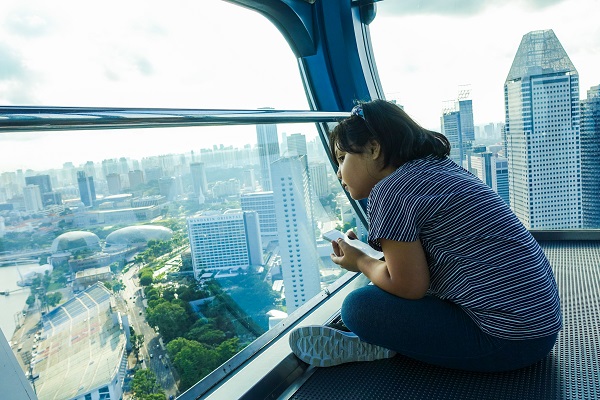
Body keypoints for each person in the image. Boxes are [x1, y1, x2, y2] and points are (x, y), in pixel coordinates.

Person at [288, 99, 562, 372]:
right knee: (379, 286)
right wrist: (368, 253)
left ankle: (380, 343)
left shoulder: (391, 191)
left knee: (358, 307)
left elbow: (409, 286)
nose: (338, 173)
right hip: (540, 325)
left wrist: (360, 261)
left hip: (506, 340)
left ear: (373, 148)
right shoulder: (439, 168)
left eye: (341, 158)